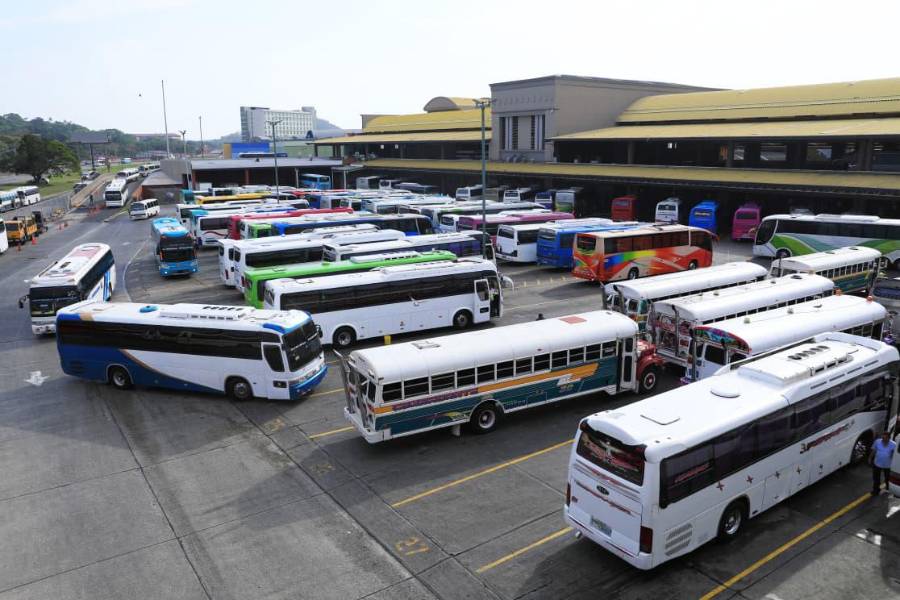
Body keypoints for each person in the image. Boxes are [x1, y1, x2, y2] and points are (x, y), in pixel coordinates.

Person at [870, 431, 897, 495]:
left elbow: (895, 455)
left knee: (888, 478)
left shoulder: (894, 445)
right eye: (883, 438)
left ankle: (888, 489)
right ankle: (876, 490)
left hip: (888, 466)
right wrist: (870, 458)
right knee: (876, 479)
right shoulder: (877, 442)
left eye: (885, 438)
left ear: (889, 438)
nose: (883, 439)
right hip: (877, 464)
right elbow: (874, 450)